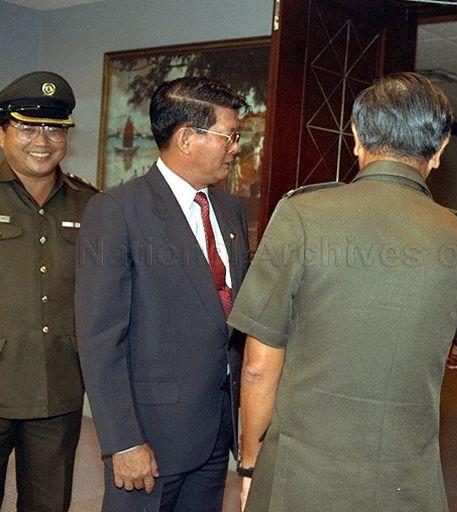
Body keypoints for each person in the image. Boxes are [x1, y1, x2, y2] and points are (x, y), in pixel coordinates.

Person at [227, 72, 457, 512]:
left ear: (355, 137)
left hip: (300, 476)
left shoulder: (302, 214)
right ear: (440, 149)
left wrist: (250, 466)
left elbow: (258, 366)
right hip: (404, 480)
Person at [75, 76, 250, 512]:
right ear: (187, 138)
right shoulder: (117, 211)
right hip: (149, 437)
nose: (236, 147)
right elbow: (100, 338)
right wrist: (123, 440)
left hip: (216, 432)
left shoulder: (230, 211)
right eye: (229, 135)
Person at [0, 71, 97, 512]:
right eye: (28, 127)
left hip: (57, 387)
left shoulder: (90, 205)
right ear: (3, 131)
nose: (42, 140)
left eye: (55, 129)